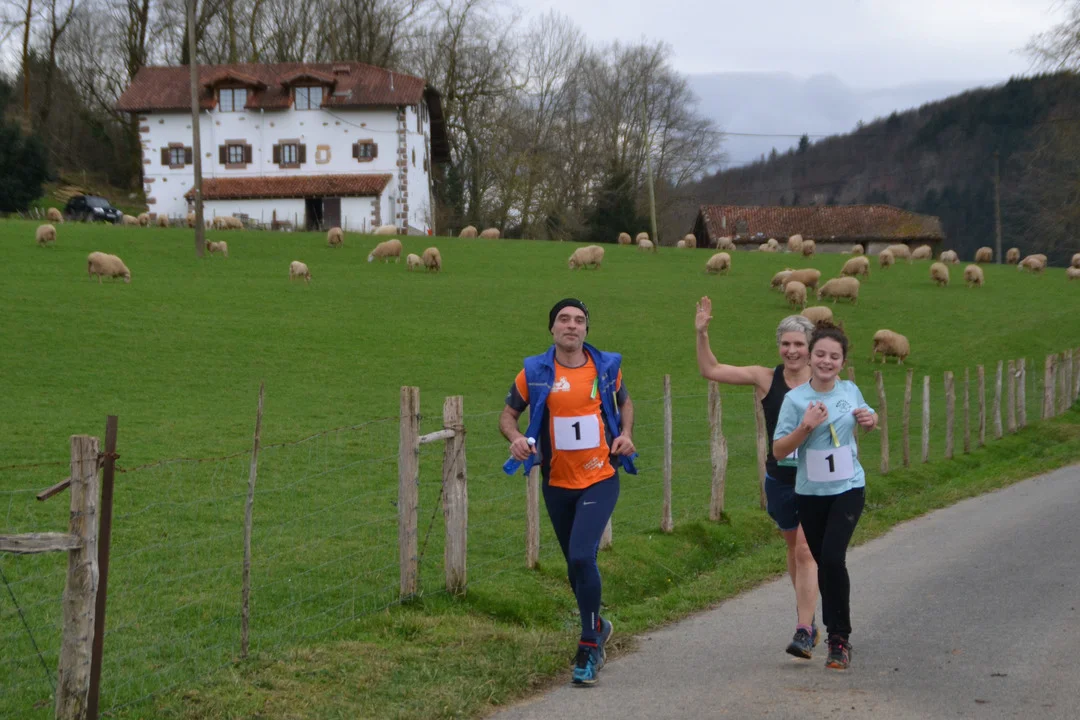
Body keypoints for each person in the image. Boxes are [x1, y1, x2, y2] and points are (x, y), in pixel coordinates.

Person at [500, 298, 637, 687]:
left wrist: (626, 434)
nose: (571, 326)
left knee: (581, 554)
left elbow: (625, 403)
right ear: (552, 328)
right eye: (564, 319)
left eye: (579, 320)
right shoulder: (534, 372)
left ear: (586, 329)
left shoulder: (605, 368)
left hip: (600, 477)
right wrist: (515, 438)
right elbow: (508, 415)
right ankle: (599, 625)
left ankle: (588, 645)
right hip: (557, 482)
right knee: (575, 567)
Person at [695, 297, 822, 659]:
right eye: (786, 343)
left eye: (799, 344)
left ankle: (803, 628)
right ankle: (808, 618)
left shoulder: (826, 382)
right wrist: (702, 333)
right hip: (780, 479)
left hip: (817, 478)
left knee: (806, 549)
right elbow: (711, 369)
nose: (792, 351)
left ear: (810, 347)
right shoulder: (766, 378)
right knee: (793, 549)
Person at [772, 322, 878, 670]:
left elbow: (867, 415)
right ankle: (824, 632)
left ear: (843, 361)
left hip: (848, 488)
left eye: (834, 356)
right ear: (810, 357)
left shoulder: (849, 390)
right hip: (810, 493)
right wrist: (806, 426)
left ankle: (839, 639)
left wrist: (870, 420)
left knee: (832, 558)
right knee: (825, 563)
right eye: (820, 354)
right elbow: (778, 450)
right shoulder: (794, 400)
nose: (826, 361)